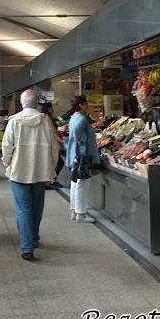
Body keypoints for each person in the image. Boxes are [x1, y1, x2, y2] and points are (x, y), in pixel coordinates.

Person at [2, 90, 59, 261]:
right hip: (40, 171)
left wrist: (8, 163)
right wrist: (51, 166)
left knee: (23, 209)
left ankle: (27, 247)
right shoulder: (45, 121)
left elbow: (7, 146)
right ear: (36, 103)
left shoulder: (14, 122)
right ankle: (33, 238)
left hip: (19, 171)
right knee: (37, 206)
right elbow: (54, 147)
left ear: (22, 103)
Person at [66, 95, 100, 223]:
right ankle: (81, 213)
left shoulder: (73, 117)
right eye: (86, 103)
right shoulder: (81, 118)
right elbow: (76, 131)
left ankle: (75, 210)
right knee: (82, 184)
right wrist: (79, 140)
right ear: (80, 105)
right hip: (82, 155)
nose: (87, 106)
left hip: (75, 155)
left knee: (75, 183)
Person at [39, 102, 64, 189]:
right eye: (51, 108)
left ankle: (49, 182)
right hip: (51, 144)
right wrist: (62, 141)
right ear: (48, 108)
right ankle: (51, 181)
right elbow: (53, 132)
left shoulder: (42, 118)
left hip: (47, 144)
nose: (53, 109)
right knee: (59, 162)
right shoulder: (48, 118)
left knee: (53, 163)